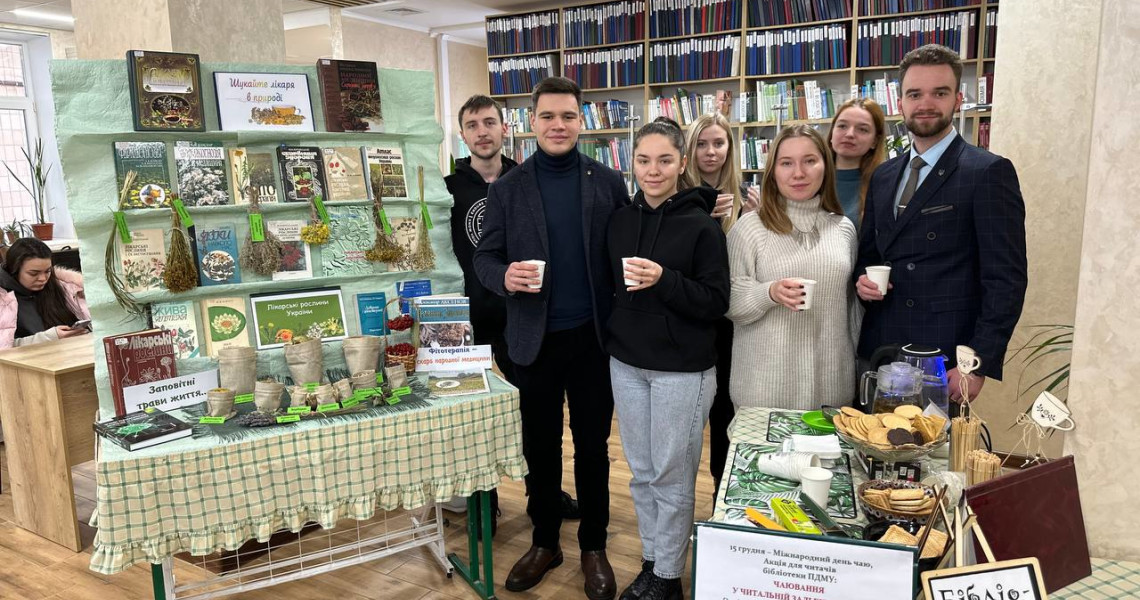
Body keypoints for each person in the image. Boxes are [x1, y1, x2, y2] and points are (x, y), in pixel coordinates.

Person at [473, 76, 629, 600]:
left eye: (567, 116)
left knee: (591, 448)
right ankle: (544, 541)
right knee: (539, 448)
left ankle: (593, 545)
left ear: (581, 122)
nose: (557, 125)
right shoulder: (508, 189)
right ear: (531, 123)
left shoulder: (607, 182)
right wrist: (504, 277)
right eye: (547, 117)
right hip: (532, 340)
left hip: (593, 340)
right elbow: (485, 258)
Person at [855, 44, 1027, 403]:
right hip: (880, 352)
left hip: (943, 359)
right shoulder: (884, 175)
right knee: (869, 452)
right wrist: (863, 284)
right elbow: (870, 255)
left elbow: (1005, 279)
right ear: (899, 102)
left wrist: (975, 364)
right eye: (914, 94)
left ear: (958, 99)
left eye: (940, 93)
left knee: (931, 457)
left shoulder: (987, 172)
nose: (926, 103)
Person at [444, 94, 580, 535]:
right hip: (470, 322)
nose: (482, 132)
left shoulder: (528, 179)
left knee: (533, 415)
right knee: (478, 415)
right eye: (472, 125)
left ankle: (543, 492)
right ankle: (486, 501)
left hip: (526, 321)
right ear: (462, 134)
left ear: (506, 129)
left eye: (489, 123)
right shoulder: (448, 189)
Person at [607, 120, 729, 600]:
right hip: (627, 364)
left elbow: (716, 301)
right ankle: (653, 559)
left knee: (672, 474)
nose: (652, 170)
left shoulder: (702, 226)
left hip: (684, 370)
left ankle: (667, 575)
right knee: (641, 472)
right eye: (643, 160)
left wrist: (664, 279)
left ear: (682, 163)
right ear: (631, 163)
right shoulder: (620, 221)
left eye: (664, 160)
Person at [726, 125, 858, 410]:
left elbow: (850, 312)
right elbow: (731, 303)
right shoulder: (749, 228)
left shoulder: (843, 229)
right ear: (773, 171)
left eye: (809, 161)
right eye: (787, 163)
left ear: (826, 165)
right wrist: (769, 293)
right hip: (763, 392)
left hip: (832, 389)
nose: (799, 173)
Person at [681, 112, 760, 493]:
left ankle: (721, 486)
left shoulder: (747, 196)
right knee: (690, 415)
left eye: (719, 143)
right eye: (701, 143)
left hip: (734, 320)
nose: (710, 152)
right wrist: (699, 219)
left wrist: (756, 219)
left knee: (727, 410)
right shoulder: (678, 196)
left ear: (731, 148)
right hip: (692, 319)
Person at [1, 237, 90, 349]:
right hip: (26, 363)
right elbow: (4, 347)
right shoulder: (3, 299)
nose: (43, 278)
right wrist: (50, 337)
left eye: (47, 271)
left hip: (74, 355)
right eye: (34, 273)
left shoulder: (66, 288)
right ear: (14, 270)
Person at [828, 98, 888, 230]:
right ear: (832, 132)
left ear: (875, 141)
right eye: (842, 126)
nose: (849, 134)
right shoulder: (810, 178)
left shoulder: (884, 186)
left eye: (862, 129)